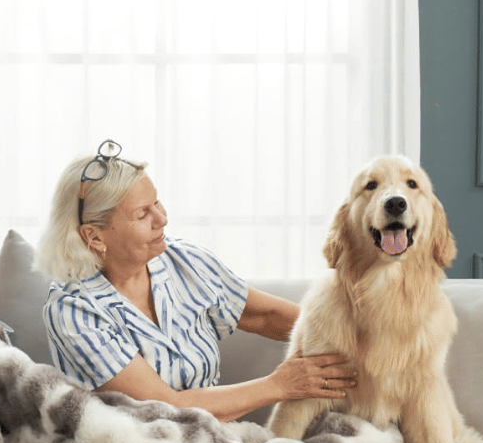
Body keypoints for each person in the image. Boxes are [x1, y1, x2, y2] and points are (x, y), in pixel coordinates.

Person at [36, 140, 356, 423]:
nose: (162, 218)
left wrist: (357, 339)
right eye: (142, 213)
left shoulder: (184, 261)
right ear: (94, 236)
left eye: (157, 202)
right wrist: (279, 385)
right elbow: (166, 408)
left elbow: (264, 316)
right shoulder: (73, 311)